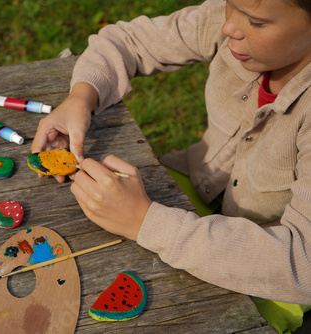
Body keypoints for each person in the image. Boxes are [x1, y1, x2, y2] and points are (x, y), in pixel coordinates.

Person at [32, 0, 311, 332]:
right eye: (231, 5)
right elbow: (126, 41)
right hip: (191, 184)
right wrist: (81, 97)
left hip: (265, 258)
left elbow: (301, 265)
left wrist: (144, 221)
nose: (229, 27)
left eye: (257, 22)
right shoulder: (228, 21)